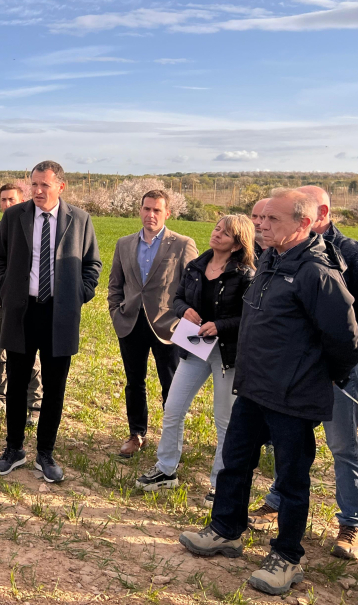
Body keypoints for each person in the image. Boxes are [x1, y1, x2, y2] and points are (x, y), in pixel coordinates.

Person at [179, 189, 358, 597]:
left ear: (303, 223)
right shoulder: (270, 261)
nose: (261, 225)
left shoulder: (317, 273)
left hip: (293, 397)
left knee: (292, 479)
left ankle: (287, 557)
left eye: (272, 220)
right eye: (259, 219)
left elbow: (345, 341)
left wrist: (317, 376)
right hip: (255, 387)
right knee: (235, 462)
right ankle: (227, 529)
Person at [248, 186, 358, 560]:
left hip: (335, 371)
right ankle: (277, 501)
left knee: (343, 444)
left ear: (319, 213)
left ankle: (353, 523)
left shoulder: (355, 254)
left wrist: (342, 362)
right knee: (290, 440)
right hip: (291, 370)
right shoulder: (280, 250)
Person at [0, 160, 102, 483]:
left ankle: (45, 453)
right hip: (23, 312)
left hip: (59, 314)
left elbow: (92, 264)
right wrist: (7, 288)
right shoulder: (14, 216)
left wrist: (78, 294)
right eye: (33, 185)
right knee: (17, 383)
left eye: (44, 186)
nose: (37, 191)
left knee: (55, 388)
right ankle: (13, 450)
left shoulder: (79, 220)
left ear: (60, 187)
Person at [136, 215, 256, 507]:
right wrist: (184, 310)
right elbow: (177, 298)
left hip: (228, 354)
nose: (217, 235)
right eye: (216, 228)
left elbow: (251, 317)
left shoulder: (247, 275)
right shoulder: (196, 266)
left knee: (224, 420)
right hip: (194, 348)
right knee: (173, 408)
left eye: (225, 233)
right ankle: (165, 471)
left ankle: (220, 484)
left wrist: (221, 325)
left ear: (238, 243)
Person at [108, 189, 198, 459]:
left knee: (171, 385)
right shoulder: (124, 244)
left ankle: (172, 439)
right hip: (131, 322)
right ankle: (136, 434)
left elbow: (193, 287)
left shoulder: (182, 243)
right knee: (134, 382)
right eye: (146, 209)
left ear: (167, 213)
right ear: (140, 210)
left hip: (168, 327)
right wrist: (116, 311)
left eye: (157, 210)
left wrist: (185, 319)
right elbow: (115, 283)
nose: (150, 215)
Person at [0, 183, 43, 420]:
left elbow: (32, 267)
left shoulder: (32, 230)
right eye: (3, 200)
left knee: (29, 356)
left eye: (11, 200)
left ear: (22, 201)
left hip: (23, 305)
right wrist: (3, 264)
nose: (6, 205)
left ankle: (34, 405)